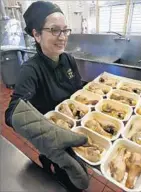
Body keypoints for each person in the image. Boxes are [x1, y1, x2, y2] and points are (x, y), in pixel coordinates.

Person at [5, 1, 89, 192]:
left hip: (74, 128)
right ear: (36, 34)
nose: (62, 37)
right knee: (67, 181)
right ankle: (48, 162)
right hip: (50, 138)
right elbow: (11, 114)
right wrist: (51, 137)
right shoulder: (31, 70)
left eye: (65, 30)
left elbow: (77, 90)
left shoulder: (68, 59)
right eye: (54, 30)